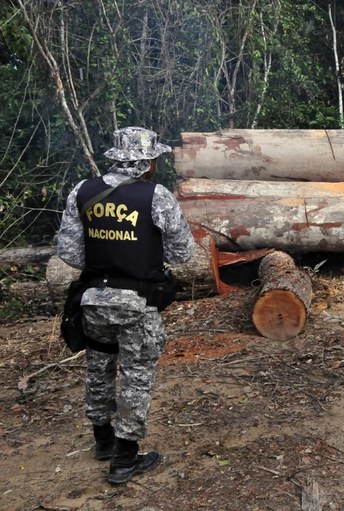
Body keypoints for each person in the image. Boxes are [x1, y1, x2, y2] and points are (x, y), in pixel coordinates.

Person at [57, 127, 195, 483]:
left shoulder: (82, 191)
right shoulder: (156, 196)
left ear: (118, 158)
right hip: (137, 304)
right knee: (136, 377)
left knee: (98, 368)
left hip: (93, 301)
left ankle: (102, 440)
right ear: (147, 162)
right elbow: (183, 253)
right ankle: (125, 458)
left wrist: (106, 258)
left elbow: (69, 252)